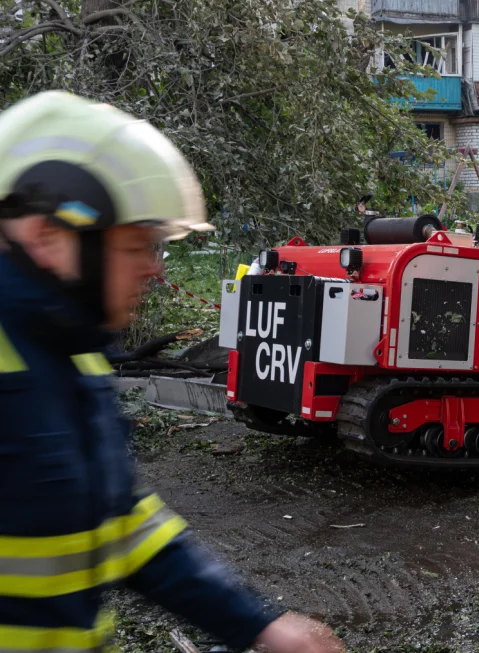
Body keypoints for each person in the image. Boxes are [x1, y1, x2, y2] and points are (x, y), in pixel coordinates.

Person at [0, 92, 343, 653]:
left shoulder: (73, 356)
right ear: (47, 238)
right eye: (135, 246)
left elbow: (121, 522)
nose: (153, 269)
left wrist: (258, 626)